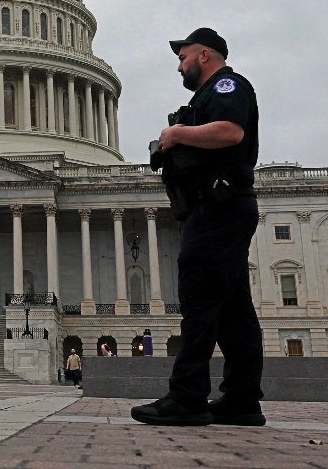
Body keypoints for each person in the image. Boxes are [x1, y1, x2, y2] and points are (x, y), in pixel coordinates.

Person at [132, 28, 264, 428]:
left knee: (200, 304)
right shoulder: (204, 97)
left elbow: (230, 132)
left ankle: (188, 397)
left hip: (217, 207)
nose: (179, 65)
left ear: (204, 55)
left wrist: (175, 135)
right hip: (218, 208)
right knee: (234, 313)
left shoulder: (227, 85)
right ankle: (241, 401)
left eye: (183, 57)